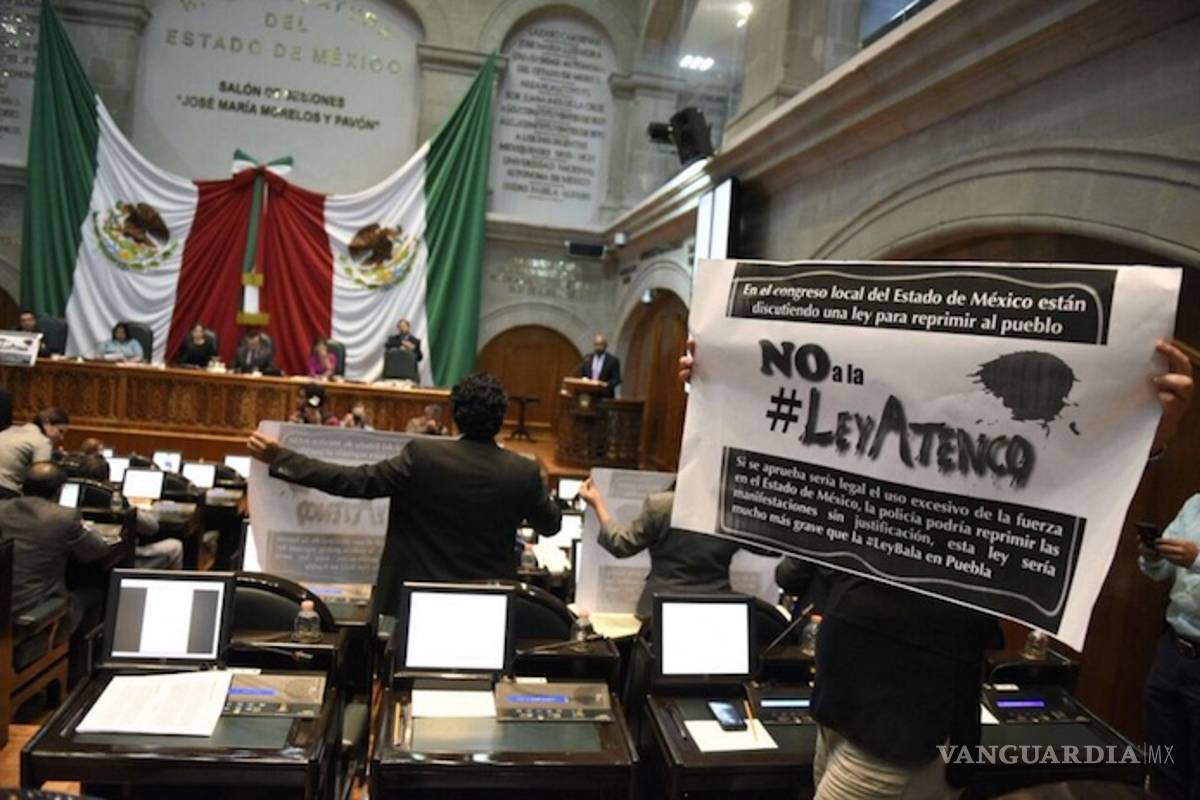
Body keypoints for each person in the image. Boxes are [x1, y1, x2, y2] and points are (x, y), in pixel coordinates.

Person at [680, 337, 1193, 799]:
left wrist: (1146, 436)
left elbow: (1066, 480)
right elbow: (786, 448)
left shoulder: (980, 493)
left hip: (901, 734)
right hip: (838, 708)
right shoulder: (868, 480)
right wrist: (718, 386)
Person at [248, 373, 562, 618]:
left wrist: (282, 458)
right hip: (487, 606)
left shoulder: (422, 457)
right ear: (501, 417)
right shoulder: (521, 471)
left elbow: (352, 482)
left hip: (416, 601)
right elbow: (551, 525)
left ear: (454, 414)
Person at [578, 477, 756, 620]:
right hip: (717, 611)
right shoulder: (733, 512)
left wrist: (597, 503)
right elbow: (769, 550)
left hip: (660, 609)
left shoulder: (661, 506)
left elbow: (620, 545)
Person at [0, 462, 109, 638]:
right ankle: (79, 664)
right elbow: (95, 552)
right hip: (34, 616)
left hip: (5, 612)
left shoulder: (2, 509)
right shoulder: (63, 516)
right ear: (59, 491)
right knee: (95, 594)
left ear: (22, 486)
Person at [1140, 496, 1200, 798]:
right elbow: (1161, 570)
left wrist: (1197, 559)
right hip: (1174, 648)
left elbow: (1192, 559)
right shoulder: (1195, 504)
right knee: (1163, 761)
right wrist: (1153, 556)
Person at [79, 453, 182, 570]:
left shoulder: (70, 499)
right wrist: (133, 506)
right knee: (175, 546)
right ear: (107, 479)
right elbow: (152, 528)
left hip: (84, 563)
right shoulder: (118, 501)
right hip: (120, 560)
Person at [0, 407, 69, 499]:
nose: (61, 438)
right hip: (5, 490)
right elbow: (41, 480)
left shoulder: (10, 430)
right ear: (46, 423)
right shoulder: (42, 441)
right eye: (60, 431)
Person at [576, 333, 621, 398]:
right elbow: (583, 374)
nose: (598, 347)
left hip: (605, 395)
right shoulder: (588, 358)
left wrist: (606, 385)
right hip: (588, 394)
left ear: (605, 346)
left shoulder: (612, 361)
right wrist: (584, 379)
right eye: (596, 344)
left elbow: (617, 379)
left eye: (601, 344)